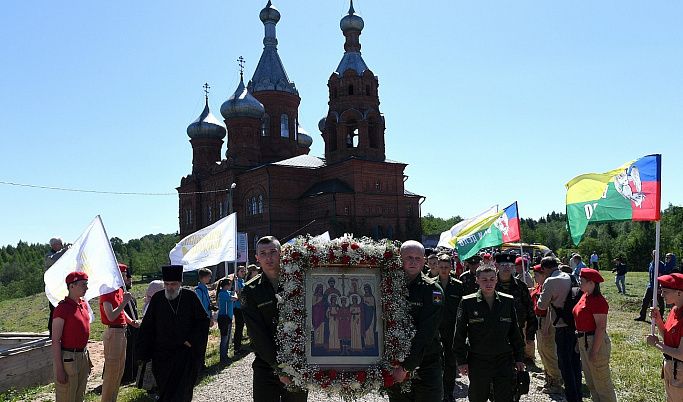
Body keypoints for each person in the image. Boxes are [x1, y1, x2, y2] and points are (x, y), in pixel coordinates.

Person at [241, 236, 308, 402]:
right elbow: (257, 334)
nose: (268, 257)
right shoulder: (251, 289)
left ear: (281, 253)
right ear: (257, 258)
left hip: (297, 363)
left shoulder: (299, 281)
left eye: (272, 252)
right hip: (266, 364)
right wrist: (279, 368)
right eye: (263, 253)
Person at [136, 265, 210, 402]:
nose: (169, 288)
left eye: (173, 284)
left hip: (185, 355)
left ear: (181, 282)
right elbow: (147, 327)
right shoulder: (158, 299)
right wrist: (142, 352)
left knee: (182, 392)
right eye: (167, 284)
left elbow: (203, 321)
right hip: (162, 357)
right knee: (166, 393)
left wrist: (191, 340)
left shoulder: (190, 297)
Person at [454, 264, 525, 402]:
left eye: (492, 279)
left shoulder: (507, 301)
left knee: (504, 396)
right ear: (477, 280)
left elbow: (515, 333)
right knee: (478, 396)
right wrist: (461, 361)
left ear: (496, 280)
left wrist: (519, 357)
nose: (489, 283)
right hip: (478, 359)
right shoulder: (468, 302)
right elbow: (460, 334)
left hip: (503, 359)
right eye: (484, 279)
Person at [386, 240, 443, 402]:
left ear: (424, 261)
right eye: (409, 257)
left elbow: (426, 333)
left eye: (418, 258)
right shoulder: (388, 286)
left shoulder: (432, 291)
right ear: (400, 259)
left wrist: (406, 367)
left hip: (426, 364)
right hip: (396, 362)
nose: (413, 261)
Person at [536, 256, 583, 402]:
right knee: (575, 363)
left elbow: (541, 306)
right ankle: (578, 395)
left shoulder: (550, 281)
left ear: (544, 269)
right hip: (574, 323)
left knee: (564, 364)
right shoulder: (570, 276)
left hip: (561, 326)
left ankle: (571, 397)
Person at [573, 268, 617, 401]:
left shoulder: (598, 301)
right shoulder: (585, 296)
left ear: (591, 283)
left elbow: (601, 327)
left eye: (581, 280)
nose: (579, 282)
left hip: (594, 342)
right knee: (592, 382)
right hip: (584, 341)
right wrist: (578, 342)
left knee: (602, 384)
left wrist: (594, 350)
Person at [99, 263, 139, 402]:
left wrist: (131, 322)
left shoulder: (119, 291)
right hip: (113, 332)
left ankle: (113, 399)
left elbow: (121, 312)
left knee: (119, 370)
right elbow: (110, 315)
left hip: (122, 331)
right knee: (112, 371)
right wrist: (124, 301)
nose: (124, 278)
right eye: (121, 275)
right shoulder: (107, 291)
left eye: (124, 275)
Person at [51, 271, 91, 402]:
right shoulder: (62, 309)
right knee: (67, 397)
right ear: (72, 286)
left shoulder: (84, 305)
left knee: (80, 396)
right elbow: (56, 340)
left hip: (82, 356)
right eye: (83, 284)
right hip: (69, 358)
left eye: (87, 284)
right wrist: (59, 369)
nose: (87, 288)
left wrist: (87, 359)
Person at [495, 253, 538, 366]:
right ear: (497, 266)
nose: (507, 267)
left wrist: (530, 335)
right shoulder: (490, 284)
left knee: (517, 365)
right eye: (504, 264)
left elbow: (530, 311)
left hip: (517, 332)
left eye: (510, 265)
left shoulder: (520, 286)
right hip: (495, 332)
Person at [646, 272, 683, 402]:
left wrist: (656, 344)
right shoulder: (675, 310)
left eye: (665, 291)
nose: (661, 295)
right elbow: (669, 338)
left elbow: (681, 354)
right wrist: (659, 321)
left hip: (680, 370)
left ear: (679, 293)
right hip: (671, 367)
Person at [529, 264, 562, 394]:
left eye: (537, 275)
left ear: (543, 274)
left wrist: (547, 327)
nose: (535, 277)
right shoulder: (539, 286)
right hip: (538, 320)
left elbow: (549, 309)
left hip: (545, 321)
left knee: (548, 351)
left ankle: (556, 382)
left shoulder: (548, 287)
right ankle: (548, 374)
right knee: (542, 350)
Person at [436, 253, 463, 402]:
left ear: (451, 268)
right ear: (437, 267)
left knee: (450, 362)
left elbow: (462, 309)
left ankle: (448, 392)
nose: (444, 270)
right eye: (441, 267)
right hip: (435, 330)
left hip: (451, 330)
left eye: (446, 267)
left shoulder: (458, 286)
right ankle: (435, 390)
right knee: (434, 361)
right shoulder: (431, 284)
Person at [45, 236, 71, 336]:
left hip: (60, 286)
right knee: (54, 308)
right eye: (60, 244)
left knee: (62, 308)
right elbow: (51, 260)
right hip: (53, 287)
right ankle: (52, 331)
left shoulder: (60, 255)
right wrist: (64, 251)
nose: (61, 245)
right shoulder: (49, 255)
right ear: (54, 245)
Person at [121, 264, 140, 384]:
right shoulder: (120, 293)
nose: (129, 280)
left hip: (133, 326)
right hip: (126, 327)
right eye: (126, 277)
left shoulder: (127, 292)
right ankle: (126, 376)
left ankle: (132, 373)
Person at [636, 250, 667, 321]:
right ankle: (642, 316)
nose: (655, 255)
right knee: (645, 301)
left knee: (660, 303)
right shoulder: (651, 264)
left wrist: (659, 287)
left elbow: (661, 276)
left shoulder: (661, 265)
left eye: (657, 254)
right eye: (654, 254)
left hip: (658, 287)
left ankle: (660, 318)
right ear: (652, 255)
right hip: (650, 286)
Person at [216, 277, 235, 362]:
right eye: (231, 284)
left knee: (227, 337)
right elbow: (234, 298)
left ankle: (225, 354)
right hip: (224, 317)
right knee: (224, 337)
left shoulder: (227, 292)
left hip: (228, 317)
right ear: (227, 286)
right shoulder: (223, 294)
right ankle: (223, 356)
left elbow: (235, 292)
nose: (232, 286)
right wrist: (235, 294)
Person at [232, 265, 247, 354]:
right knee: (238, 327)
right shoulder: (236, 282)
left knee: (241, 327)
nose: (243, 273)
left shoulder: (242, 281)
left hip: (243, 306)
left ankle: (239, 346)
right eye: (241, 271)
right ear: (237, 272)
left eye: (244, 271)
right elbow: (237, 293)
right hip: (237, 306)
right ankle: (236, 348)